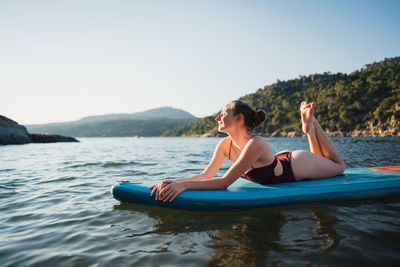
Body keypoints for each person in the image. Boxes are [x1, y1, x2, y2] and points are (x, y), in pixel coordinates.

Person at [149, 100, 345, 202]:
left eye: (223, 113)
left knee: (338, 167)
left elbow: (224, 182)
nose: (217, 117)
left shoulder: (256, 143)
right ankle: (309, 129)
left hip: (297, 164)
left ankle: (312, 126)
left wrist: (185, 187)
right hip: (278, 161)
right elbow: (206, 175)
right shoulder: (225, 145)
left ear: (239, 118)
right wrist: (173, 182)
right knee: (323, 159)